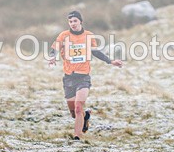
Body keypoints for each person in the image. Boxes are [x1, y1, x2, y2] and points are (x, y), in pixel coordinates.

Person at [47, 10, 123, 140]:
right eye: (70, 21)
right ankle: (85, 117)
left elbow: (96, 52)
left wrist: (110, 61)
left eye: (75, 21)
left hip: (83, 77)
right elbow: (54, 48)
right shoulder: (64, 35)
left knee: (78, 107)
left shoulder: (89, 36)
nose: (73, 24)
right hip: (68, 78)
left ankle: (77, 137)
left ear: (81, 21)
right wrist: (52, 57)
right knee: (74, 113)